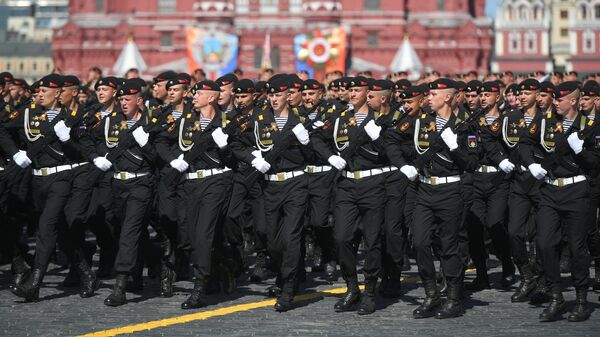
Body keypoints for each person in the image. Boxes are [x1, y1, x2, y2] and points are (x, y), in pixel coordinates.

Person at [520, 81, 597, 322]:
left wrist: (581, 152)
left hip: (577, 191)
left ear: (573, 101)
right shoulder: (545, 122)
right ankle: (556, 296)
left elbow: (596, 164)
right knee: (544, 244)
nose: (554, 103)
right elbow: (524, 143)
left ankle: (582, 299)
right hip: (550, 191)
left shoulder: (591, 126)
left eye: (559, 100)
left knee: (576, 248)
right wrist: (532, 164)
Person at [411, 78, 478, 319]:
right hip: (425, 190)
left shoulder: (464, 125)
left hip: (451, 191)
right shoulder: (423, 123)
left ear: (448, 97)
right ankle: (431, 293)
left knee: (449, 246)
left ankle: (453, 298)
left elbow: (471, 163)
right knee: (419, 241)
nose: (428, 98)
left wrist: (454, 147)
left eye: (433, 95)